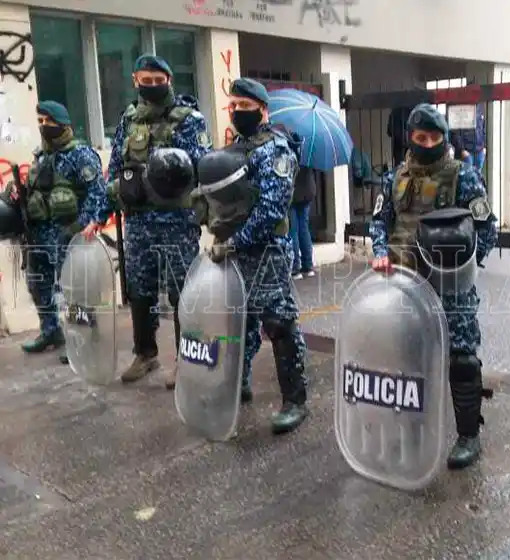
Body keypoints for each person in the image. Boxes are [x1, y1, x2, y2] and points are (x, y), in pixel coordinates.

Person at [369, 103, 499, 470]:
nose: (427, 143)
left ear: (444, 137)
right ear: (410, 138)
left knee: (461, 359)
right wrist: (381, 253)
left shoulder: (463, 176)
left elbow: (487, 228)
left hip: (451, 289)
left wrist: (464, 267)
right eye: (420, 137)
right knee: (407, 360)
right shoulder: (395, 178)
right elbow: (380, 222)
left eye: (434, 137)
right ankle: (411, 429)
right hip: (405, 284)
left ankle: (468, 436)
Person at [196, 77, 309, 434]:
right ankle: (237, 384)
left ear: (263, 111)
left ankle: (295, 400)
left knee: (278, 323)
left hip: (267, 252)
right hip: (235, 250)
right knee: (237, 322)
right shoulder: (237, 148)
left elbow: (272, 208)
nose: (237, 113)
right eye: (234, 107)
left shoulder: (275, 150)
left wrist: (236, 241)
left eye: (245, 108)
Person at [106, 54, 212, 388]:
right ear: (135, 80)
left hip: (176, 218)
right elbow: (115, 163)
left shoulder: (189, 119)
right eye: (145, 81)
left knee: (183, 290)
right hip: (138, 220)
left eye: (158, 80)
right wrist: (114, 192)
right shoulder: (128, 118)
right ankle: (145, 353)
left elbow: (202, 165)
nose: (152, 87)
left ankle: (186, 358)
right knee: (140, 287)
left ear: (168, 80)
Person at [17, 101, 109, 363]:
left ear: (63, 123)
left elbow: (96, 191)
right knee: (38, 285)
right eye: (40, 121)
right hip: (39, 233)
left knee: (75, 291)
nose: (44, 126)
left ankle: (85, 339)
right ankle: (51, 331)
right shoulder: (41, 156)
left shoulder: (80, 154)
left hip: (66, 233)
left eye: (49, 121)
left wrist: (85, 224)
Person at [289, 166, 318, 279]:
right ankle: (308, 266)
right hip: (308, 189)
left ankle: (295, 269)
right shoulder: (309, 150)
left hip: (293, 191)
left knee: (293, 229)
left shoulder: (289, 151)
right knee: (304, 228)